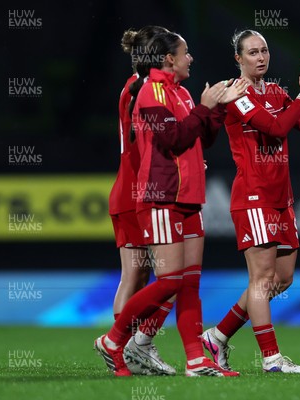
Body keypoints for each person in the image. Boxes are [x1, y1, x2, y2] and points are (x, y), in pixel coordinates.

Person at [95, 29, 248, 377]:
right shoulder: (150, 92)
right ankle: (115, 339)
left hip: (189, 198)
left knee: (189, 283)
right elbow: (174, 138)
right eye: (186, 52)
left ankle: (196, 360)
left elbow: (203, 138)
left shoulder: (180, 92)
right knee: (167, 282)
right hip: (161, 197)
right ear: (169, 59)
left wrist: (216, 110)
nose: (191, 58)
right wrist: (204, 108)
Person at [201, 29, 300, 373]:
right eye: (253, 52)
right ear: (238, 59)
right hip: (253, 196)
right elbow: (275, 128)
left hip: (281, 199)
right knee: (261, 279)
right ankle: (271, 358)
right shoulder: (234, 93)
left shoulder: (275, 91)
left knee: (282, 280)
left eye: (265, 51)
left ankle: (217, 336)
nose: (261, 57)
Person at [109, 25, 176, 376]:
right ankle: (119, 349)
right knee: (139, 275)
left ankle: (130, 348)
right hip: (136, 191)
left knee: (144, 275)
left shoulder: (137, 87)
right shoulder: (141, 89)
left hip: (135, 190)